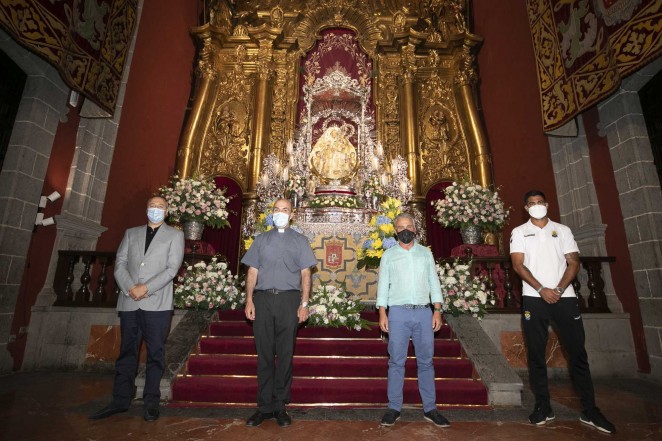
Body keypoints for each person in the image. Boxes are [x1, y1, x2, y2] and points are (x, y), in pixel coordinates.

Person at [510, 190, 616, 434]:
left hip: (564, 298)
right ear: (526, 208)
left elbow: (574, 262)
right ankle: (543, 407)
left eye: (539, 202)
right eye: (531, 204)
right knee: (536, 355)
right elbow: (518, 264)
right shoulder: (519, 232)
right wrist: (540, 289)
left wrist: (557, 288)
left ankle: (590, 410)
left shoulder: (563, 230)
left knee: (577, 353)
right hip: (534, 299)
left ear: (546, 204)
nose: (536, 206)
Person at [89, 196, 185, 422]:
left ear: (167, 211)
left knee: (155, 354)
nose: (156, 209)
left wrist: (146, 287)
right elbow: (120, 263)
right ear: (146, 209)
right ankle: (121, 399)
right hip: (130, 300)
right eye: (152, 205)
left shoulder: (175, 235)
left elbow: (172, 269)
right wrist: (130, 287)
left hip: (157, 303)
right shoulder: (131, 233)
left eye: (160, 206)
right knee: (127, 352)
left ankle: (151, 401)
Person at [241, 198, 317, 427]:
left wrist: (304, 304)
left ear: (291, 214)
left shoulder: (300, 240)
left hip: (288, 300)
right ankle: (264, 406)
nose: (280, 213)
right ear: (271, 213)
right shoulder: (261, 240)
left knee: (284, 354)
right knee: (264, 354)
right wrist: (249, 300)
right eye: (277, 210)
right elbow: (252, 272)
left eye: (285, 210)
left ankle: (280, 405)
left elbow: (306, 274)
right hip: (263, 300)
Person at [376, 213, 450, 428]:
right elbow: (383, 286)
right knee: (396, 361)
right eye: (401, 227)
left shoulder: (425, 254)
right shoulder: (388, 255)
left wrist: (437, 310)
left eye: (409, 226)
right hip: (398, 312)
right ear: (395, 231)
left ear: (415, 229)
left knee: (426, 362)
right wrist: (382, 313)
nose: (405, 229)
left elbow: (434, 282)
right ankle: (393, 407)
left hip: (423, 313)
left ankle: (430, 408)